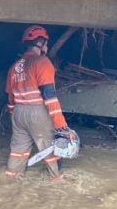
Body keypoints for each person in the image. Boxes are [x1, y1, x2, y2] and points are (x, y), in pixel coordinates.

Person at [5, 25, 69, 180]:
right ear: (41, 44)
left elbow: (10, 98)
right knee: (51, 149)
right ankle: (57, 180)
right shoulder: (42, 62)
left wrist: (15, 115)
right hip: (37, 112)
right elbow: (49, 96)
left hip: (18, 113)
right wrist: (61, 125)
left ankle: (11, 179)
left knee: (17, 151)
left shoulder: (14, 67)